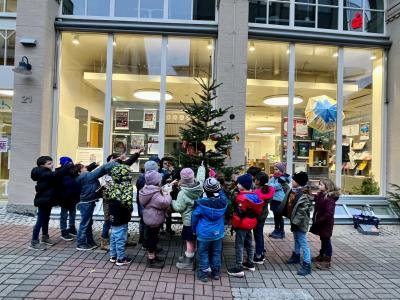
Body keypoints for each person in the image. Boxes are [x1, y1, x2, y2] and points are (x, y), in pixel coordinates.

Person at [99, 150, 143, 251]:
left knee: (124, 218)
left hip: (121, 199)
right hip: (110, 200)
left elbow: (129, 162)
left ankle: (123, 239)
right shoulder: (108, 169)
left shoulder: (119, 168)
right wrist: (120, 159)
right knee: (108, 220)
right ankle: (104, 242)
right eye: (114, 159)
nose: (117, 161)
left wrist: (137, 153)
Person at [74, 159, 119, 251]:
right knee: (84, 223)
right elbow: (101, 170)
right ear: (79, 172)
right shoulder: (85, 176)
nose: (86, 167)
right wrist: (113, 162)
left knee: (88, 223)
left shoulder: (84, 176)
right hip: (86, 203)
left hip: (88, 202)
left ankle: (90, 241)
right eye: (83, 167)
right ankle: (80, 243)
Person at [30, 156, 72, 250]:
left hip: (48, 200)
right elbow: (55, 175)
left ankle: (45, 237)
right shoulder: (43, 173)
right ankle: (34, 242)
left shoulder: (46, 172)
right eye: (49, 164)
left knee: (46, 219)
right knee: (40, 221)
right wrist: (66, 167)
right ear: (42, 165)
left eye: (52, 163)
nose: (52, 165)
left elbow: (56, 175)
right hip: (43, 201)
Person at [228, 174, 264, 278]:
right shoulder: (254, 195)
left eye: (239, 183)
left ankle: (238, 267)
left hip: (242, 224)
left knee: (239, 244)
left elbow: (238, 214)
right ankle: (250, 263)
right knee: (249, 243)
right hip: (251, 223)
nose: (237, 185)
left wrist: (234, 224)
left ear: (243, 185)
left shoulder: (241, 197)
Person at [192, 178, 228, 282]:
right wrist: (218, 189)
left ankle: (203, 273)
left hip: (204, 233)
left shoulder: (201, 203)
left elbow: (194, 217)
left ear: (204, 189)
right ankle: (215, 272)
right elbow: (223, 196)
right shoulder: (223, 203)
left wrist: (194, 229)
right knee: (216, 252)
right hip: (218, 233)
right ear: (218, 189)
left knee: (203, 252)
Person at [172, 165, 205, 270]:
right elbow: (201, 177)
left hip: (189, 222)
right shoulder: (200, 186)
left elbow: (179, 208)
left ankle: (189, 262)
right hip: (199, 220)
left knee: (189, 240)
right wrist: (201, 167)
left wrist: (171, 201)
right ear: (193, 177)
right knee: (195, 238)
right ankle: (189, 256)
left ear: (182, 179)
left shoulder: (182, 193)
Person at [139, 170, 172, 268]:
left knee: (153, 237)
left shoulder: (147, 189)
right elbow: (164, 203)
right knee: (152, 239)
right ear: (156, 181)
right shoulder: (155, 192)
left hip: (149, 216)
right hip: (154, 218)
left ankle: (153, 256)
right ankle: (151, 260)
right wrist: (167, 193)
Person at [105, 164, 134, 266]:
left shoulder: (112, 184)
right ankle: (121, 258)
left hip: (113, 212)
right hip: (122, 213)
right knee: (121, 237)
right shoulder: (126, 185)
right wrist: (130, 209)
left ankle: (113, 256)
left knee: (113, 234)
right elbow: (128, 201)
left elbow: (107, 196)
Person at [286, 171, 313, 276]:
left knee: (303, 242)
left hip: (300, 222)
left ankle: (307, 264)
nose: (292, 181)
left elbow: (302, 211)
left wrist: (296, 222)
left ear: (298, 182)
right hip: (295, 221)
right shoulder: (295, 192)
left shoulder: (304, 194)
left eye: (293, 180)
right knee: (297, 239)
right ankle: (296, 255)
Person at [310, 179, 340, 270]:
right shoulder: (321, 195)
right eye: (319, 184)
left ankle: (327, 261)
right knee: (323, 238)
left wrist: (320, 221)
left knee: (326, 240)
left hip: (325, 223)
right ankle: (321, 255)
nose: (319, 186)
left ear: (327, 187)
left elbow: (329, 214)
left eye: (321, 184)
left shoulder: (329, 199)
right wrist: (309, 194)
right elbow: (315, 199)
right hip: (321, 221)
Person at [136, 159, 159, 246]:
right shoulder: (148, 178)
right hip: (147, 203)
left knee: (143, 220)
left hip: (141, 201)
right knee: (147, 222)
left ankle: (142, 239)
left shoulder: (141, 177)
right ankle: (146, 242)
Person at [58, 156, 81, 241]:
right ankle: (63, 231)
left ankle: (72, 228)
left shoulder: (72, 171)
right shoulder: (60, 172)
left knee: (73, 212)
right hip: (64, 197)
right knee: (64, 214)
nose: (71, 165)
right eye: (69, 163)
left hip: (73, 197)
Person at [253, 172, 275, 264]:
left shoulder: (257, 191)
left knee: (257, 234)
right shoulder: (269, 190)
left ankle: (258, 256)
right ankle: (261, 252)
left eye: (255, 179)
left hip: (258, 215)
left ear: (258, 181)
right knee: (259, 234)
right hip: (264, 214)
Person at [268, 162, 291, 239]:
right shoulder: (273, 177)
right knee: (275, 216)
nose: (275, 170)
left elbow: (276, 187)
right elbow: (269, 185)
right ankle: (276, 229)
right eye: (274, 169)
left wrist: (271, 186)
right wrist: (271, 185)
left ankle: (281, 231)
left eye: (277, 169)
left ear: (281, 170)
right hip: (274, 199)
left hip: (280, 200)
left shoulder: (282, 178)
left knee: (279, 216)